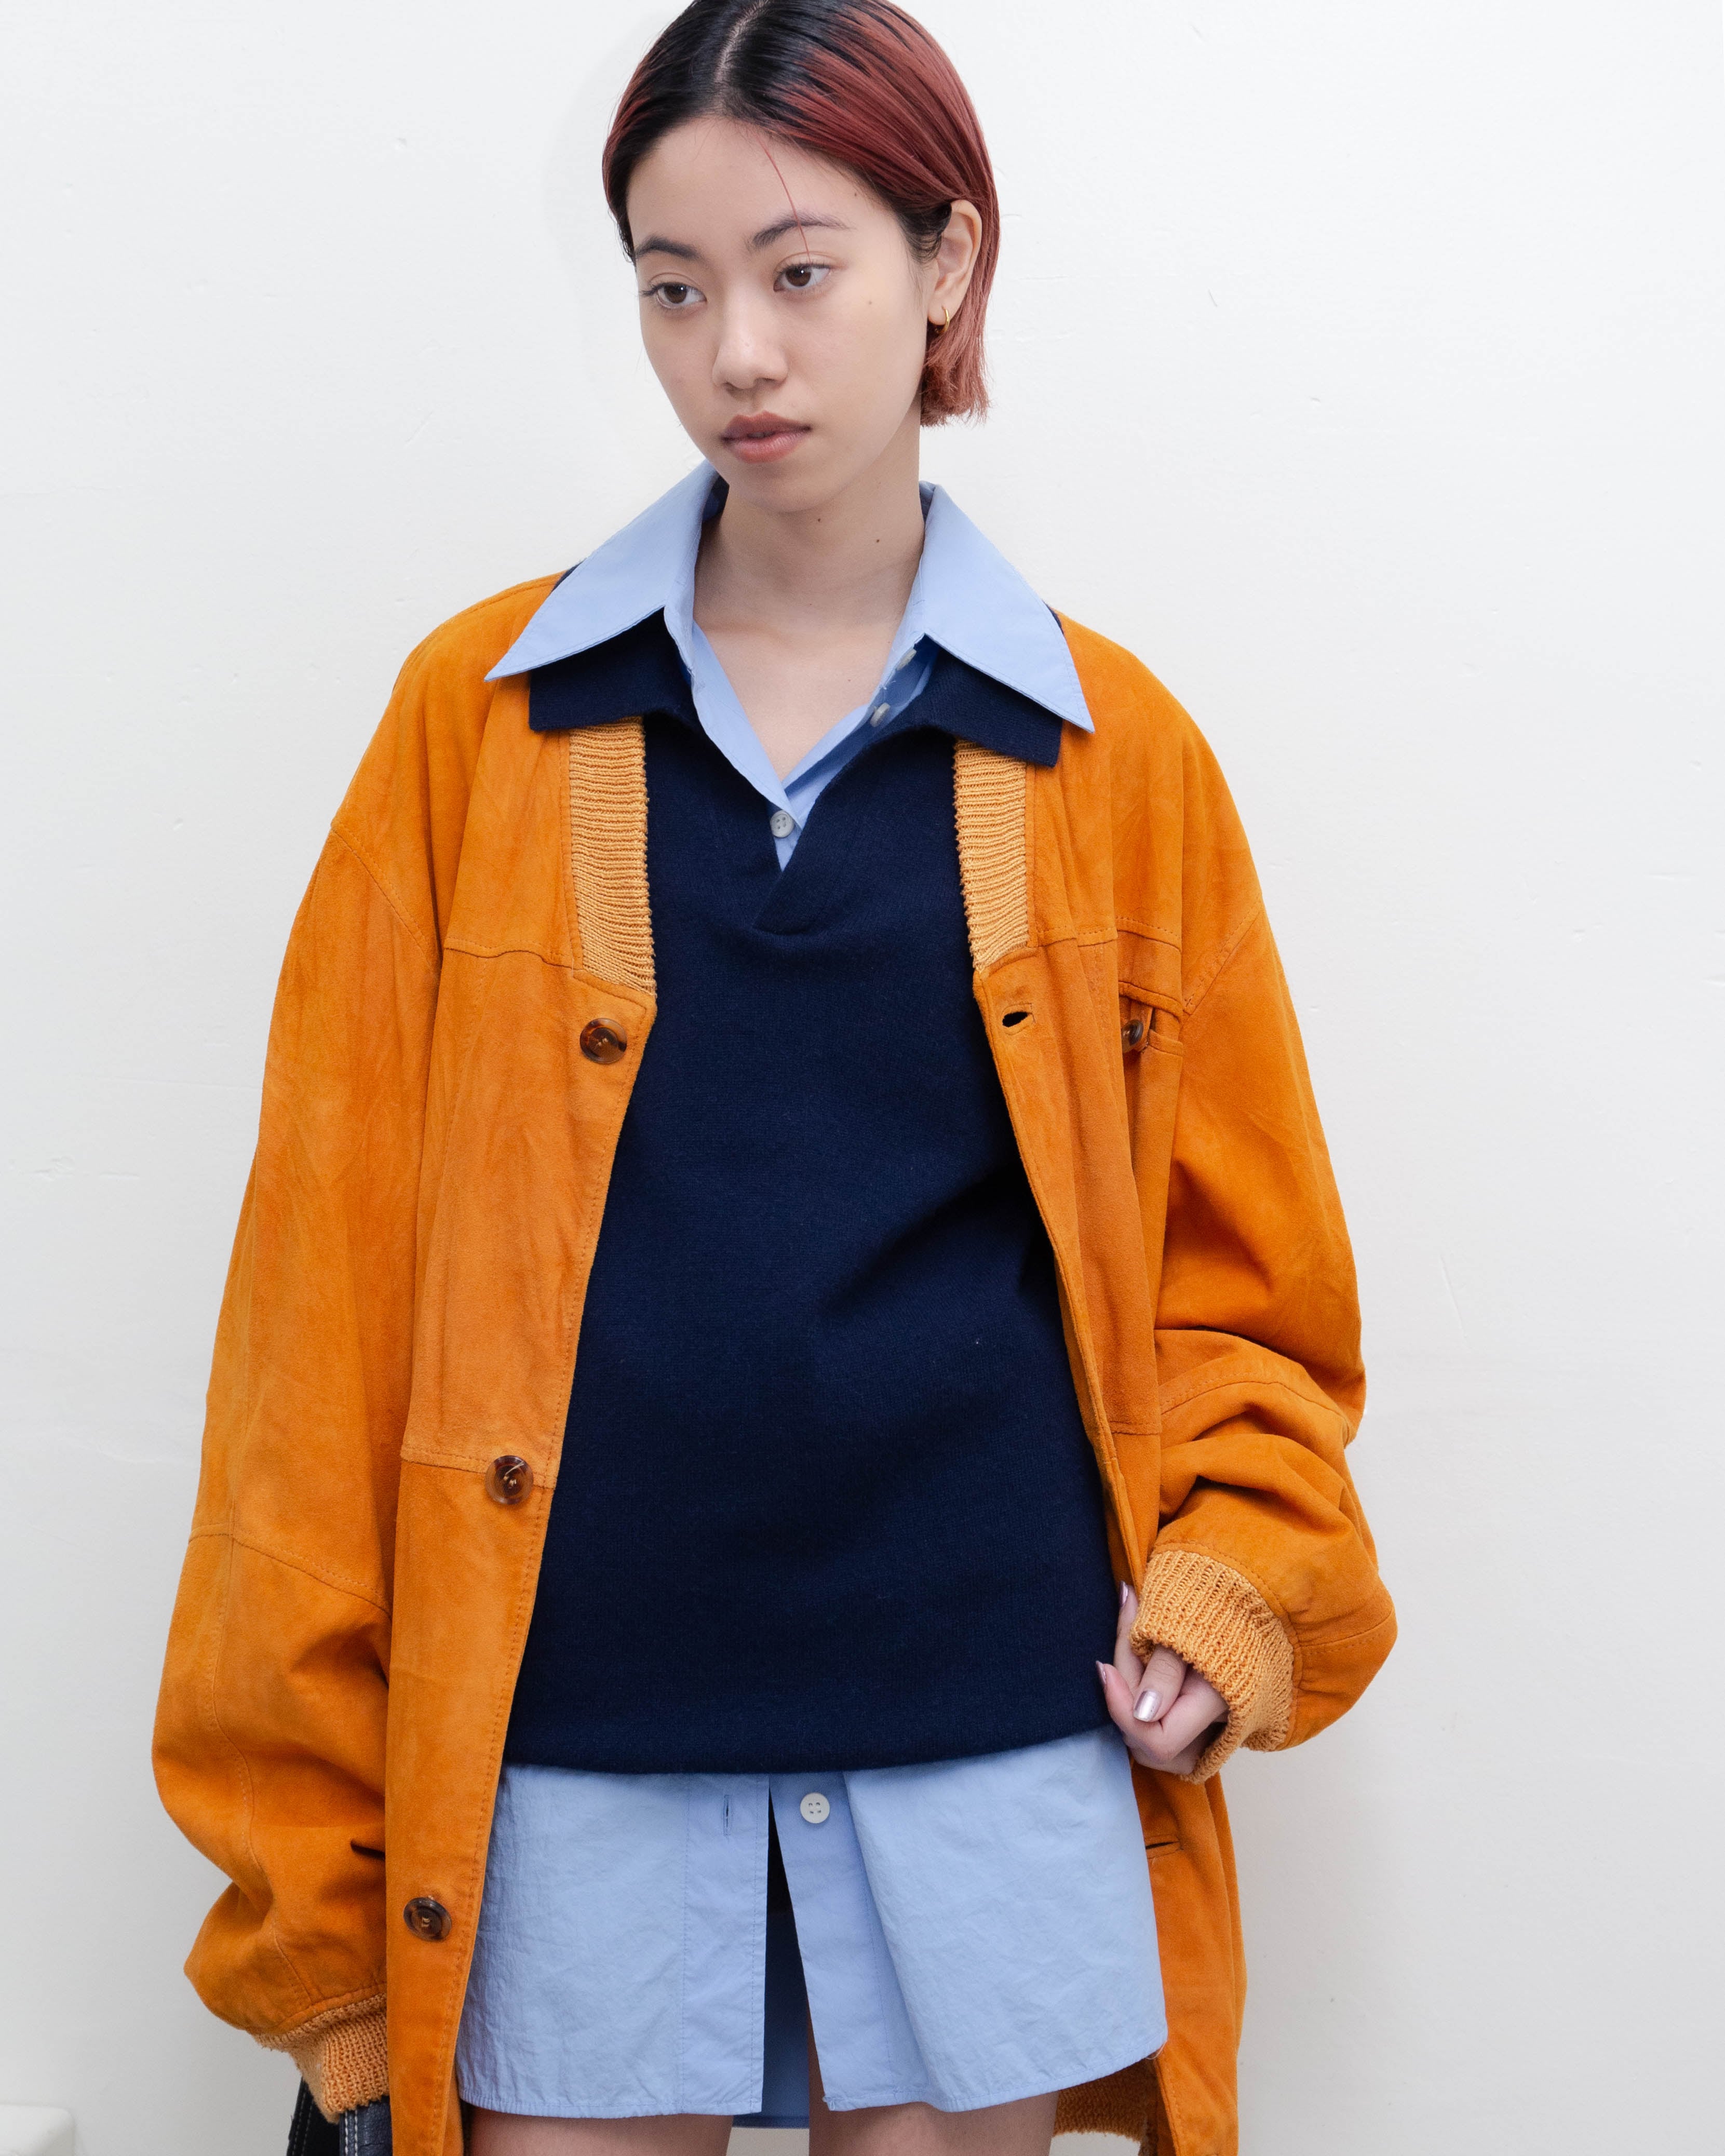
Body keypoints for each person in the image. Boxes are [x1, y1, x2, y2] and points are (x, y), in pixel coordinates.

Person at [153, 4, 1396, 2153]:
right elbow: (314, 1325)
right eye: (672, 286)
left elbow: (1248, 1291)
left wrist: (1229, 1593)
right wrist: (315, 1914)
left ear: (948, 262)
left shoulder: (1116, 759)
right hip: (566, 1734)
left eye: (799, 270)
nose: (736, 350)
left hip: (996, 1726)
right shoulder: (475, 726)